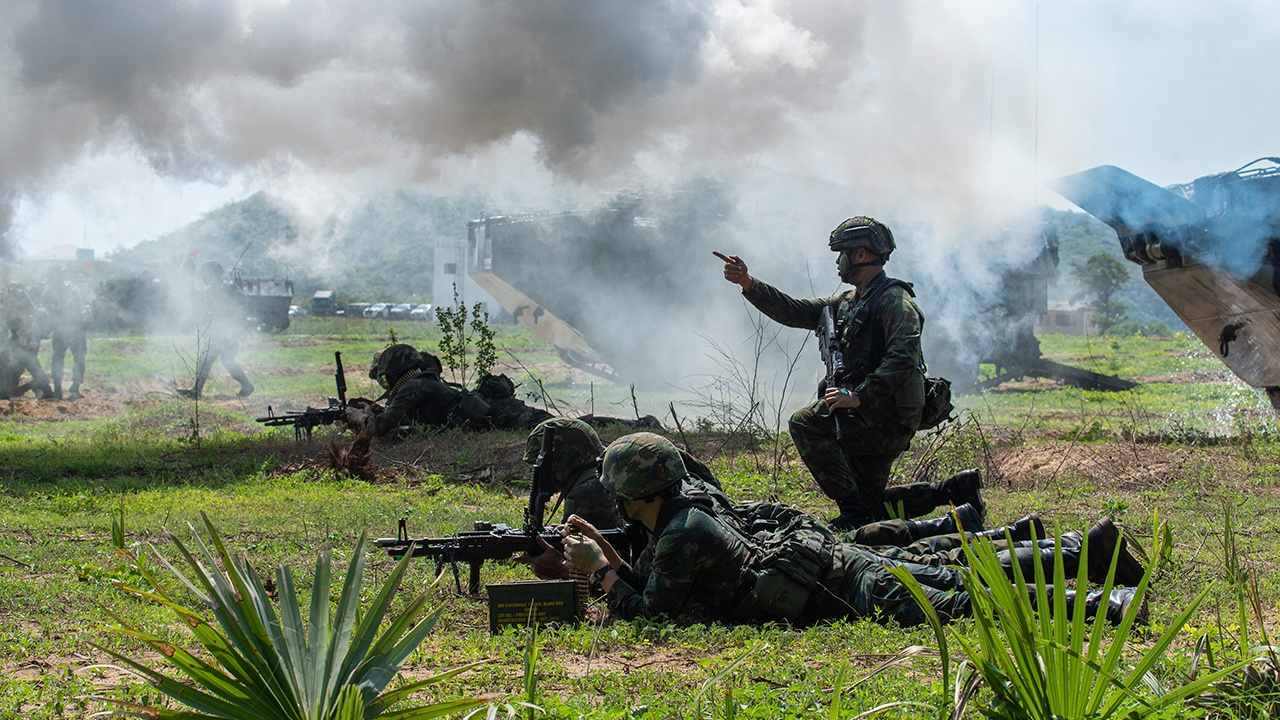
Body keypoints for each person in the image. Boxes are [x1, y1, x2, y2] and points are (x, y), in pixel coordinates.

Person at [561, 433, 1144, 628]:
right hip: (841, 569)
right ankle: (1094, 569)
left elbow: (653, 614)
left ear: (636, 491)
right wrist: (609, 555)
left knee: (965, 602)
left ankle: (1106, 606)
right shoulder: (684, 512)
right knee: (964, 578)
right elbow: (658, 581)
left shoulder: (682, 531)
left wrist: (600, 572)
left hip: (844, 589)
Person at [716, 217, 975, 530]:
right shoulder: (847, 302)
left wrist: (858, 396)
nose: (838, 261)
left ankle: (853, 515)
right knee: (871, 505)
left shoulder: (895, 301)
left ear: (860, 255)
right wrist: (748, 283)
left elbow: (903, 359)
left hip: (886, 415)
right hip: (873, 413)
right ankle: (954, 490)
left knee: (806, 423)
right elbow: (795, 310)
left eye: (842, 254)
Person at [345, 343, 554, 437]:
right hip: (492, 414)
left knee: (550, 427)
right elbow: (400, 417)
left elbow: (381, 427)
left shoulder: (414, 386)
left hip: (498, 413)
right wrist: (373, 411)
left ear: (395, 371)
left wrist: (358, 417)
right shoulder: (419, 383)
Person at [178, 261, 254, 399]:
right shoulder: (224, 288)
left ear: (212, 274)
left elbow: (240, 307)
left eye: (205, 275)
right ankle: (246, 386)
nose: (203, 278)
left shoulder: (224, 288)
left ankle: (197, 390)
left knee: (208, 359)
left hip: (225, 331)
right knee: (224, 360)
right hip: (223, 330)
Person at [39, 265, 90, 400]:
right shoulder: (48, 292)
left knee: (79, 358)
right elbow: (45, 311)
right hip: (60, 330)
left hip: (76, 329)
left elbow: (80, 308)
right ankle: (57, 388)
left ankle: (75, 387)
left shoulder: (72, 290)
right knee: (58, 359)